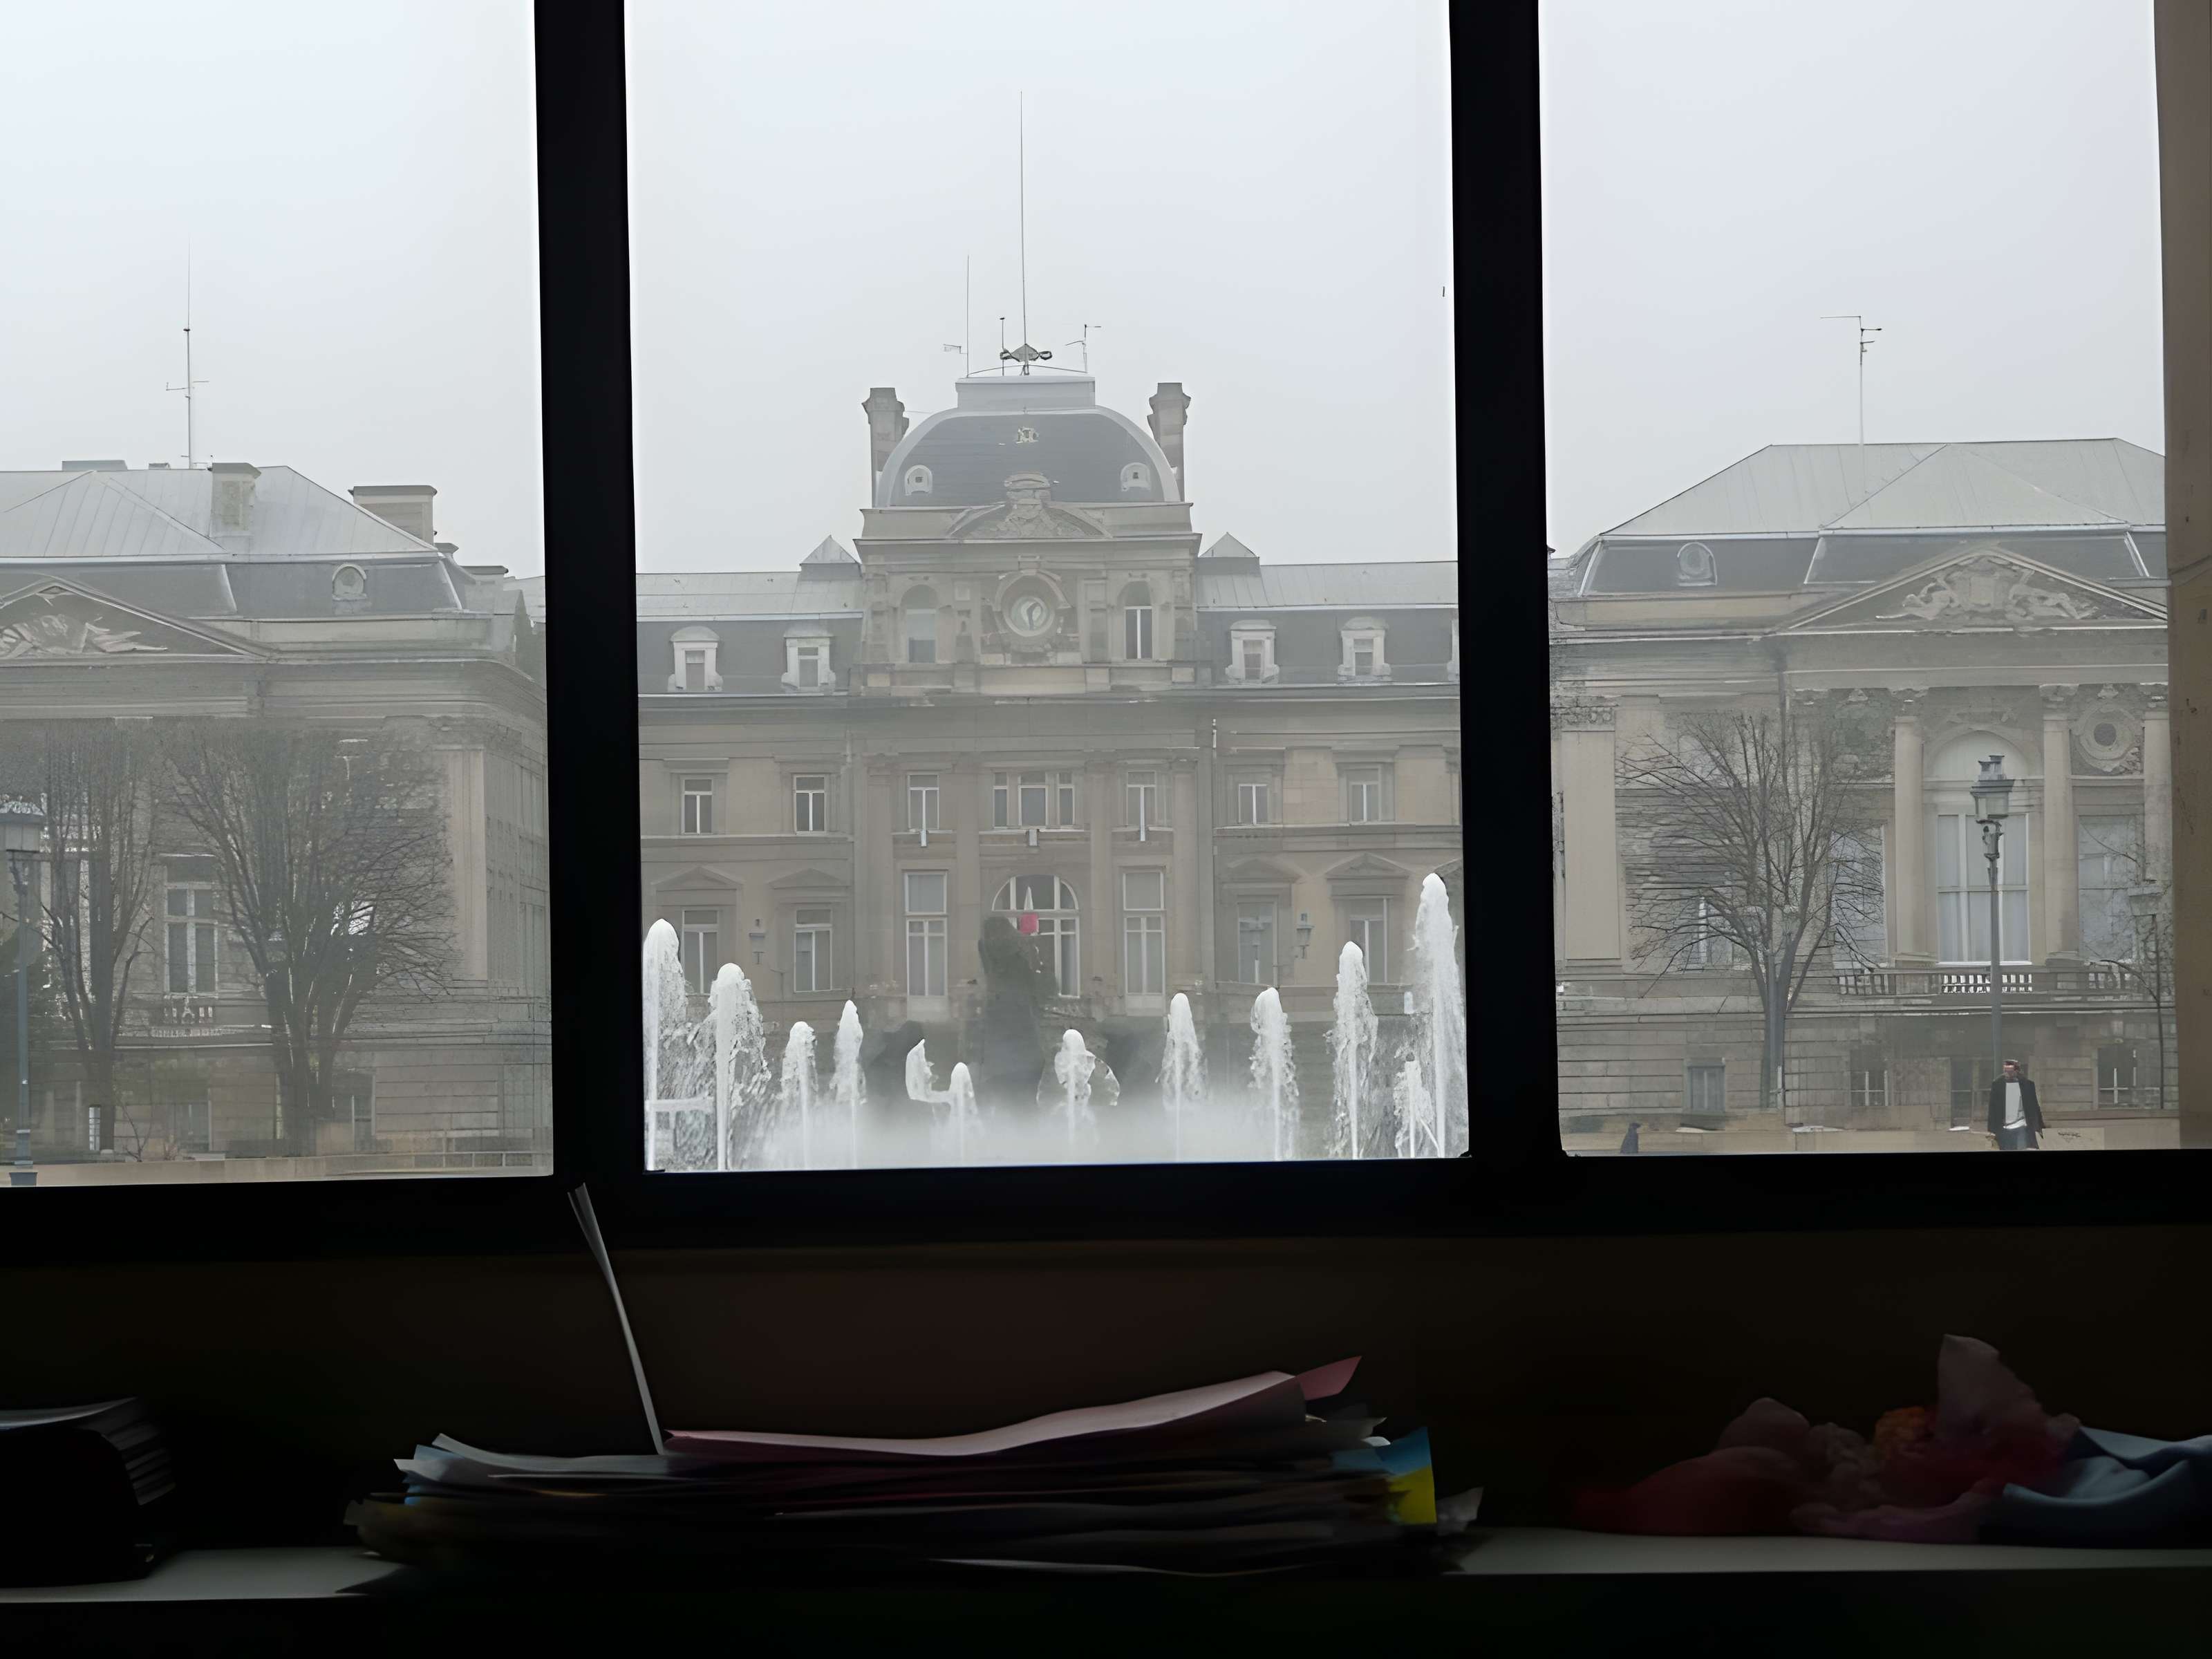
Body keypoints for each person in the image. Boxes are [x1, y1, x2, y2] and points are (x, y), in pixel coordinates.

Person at [1986, 1059, 2044, 1150]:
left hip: (2022, 1126)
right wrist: (1992, 1130)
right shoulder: (1997, 1084)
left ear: (2017, 1071)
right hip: (2004, 1128)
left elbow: (2034, 1106)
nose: (2008, 1074)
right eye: (2006, 1071)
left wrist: (2038, 1124)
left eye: (2011, 1071)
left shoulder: (2027, 1085)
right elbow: (1992, 1108)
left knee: (2023, 1148)